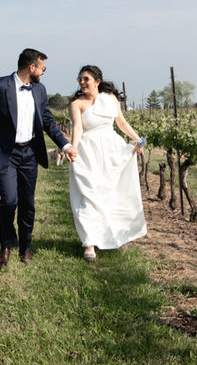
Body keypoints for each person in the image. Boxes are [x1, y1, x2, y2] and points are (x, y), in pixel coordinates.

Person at [0, 49, 77, 268]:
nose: (43, 72)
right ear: (32, 67)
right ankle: (6, 246)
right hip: (5, 153)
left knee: (27, 203)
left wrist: (65, 144)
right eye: (43, 68)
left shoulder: (39, 90)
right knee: (9, 201)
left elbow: (47, 121)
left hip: (29, 153)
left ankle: (25, 247)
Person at [69, 65, 147, 262]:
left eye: (86, 78)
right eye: (80, 79)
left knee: (112, 194)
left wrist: (139, 140)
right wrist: (73, 148)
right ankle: (89, 243)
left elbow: (121, 122)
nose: (82, 82)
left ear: (97, 81)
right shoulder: (76, 104)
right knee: (88, 195)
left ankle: (113, 234)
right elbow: (77, 128)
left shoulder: (110, 99)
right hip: (88, 152)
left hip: (111, 149)